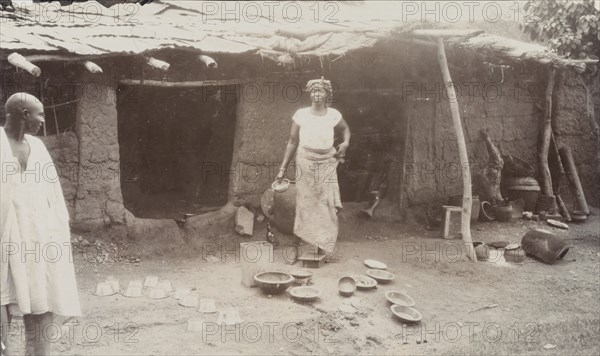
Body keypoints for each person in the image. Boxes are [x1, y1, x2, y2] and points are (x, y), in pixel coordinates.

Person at [1, 93, 81, 355]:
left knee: (40, 302)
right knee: (3, 306)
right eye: (40, 114)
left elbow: (54, 198)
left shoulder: (39, 148)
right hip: (5, 242)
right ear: (25, 114)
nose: (43, 121)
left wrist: (55, 235)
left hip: (36, 243)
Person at [276, 77, 351, 263]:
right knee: (304, 203)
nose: (317, 94)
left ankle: (319, 247)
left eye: (321, 91)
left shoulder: (334, 114)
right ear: (310, 94)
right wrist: (282, 168)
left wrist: (346, 142)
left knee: (325, 203)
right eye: (314, 91)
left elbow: (346, 129)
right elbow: (293, 141)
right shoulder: (301, 114)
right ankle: (295, 244)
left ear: (327, 94)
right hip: (305, 162)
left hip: (327, 162)